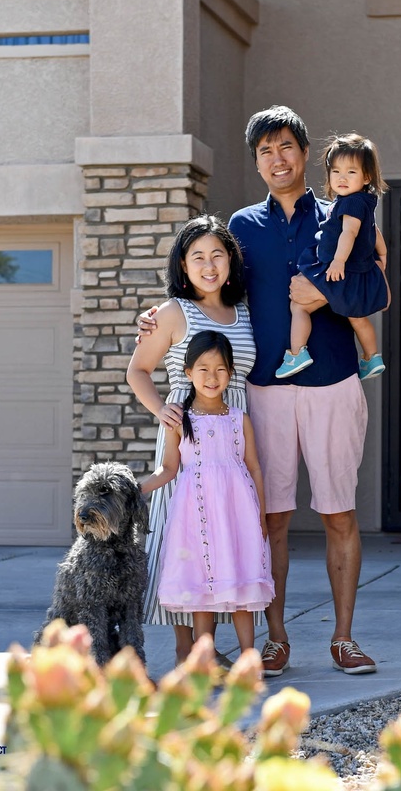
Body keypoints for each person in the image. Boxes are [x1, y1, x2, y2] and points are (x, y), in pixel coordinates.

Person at [228, 105, 377, 676]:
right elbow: (213, 295)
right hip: (265, 387)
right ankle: (276, 637)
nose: (277, 157)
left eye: (285, 146)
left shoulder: (345, 214)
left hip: (333, 380)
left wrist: (326, 299)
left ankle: (343, 638)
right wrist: (161, 318)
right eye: (265, 150)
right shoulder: (241, 228)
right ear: (257, 161)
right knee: (272, 518)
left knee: (339, 512)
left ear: (306, 152)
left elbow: (373, 291)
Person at [126, 214, 257, 665]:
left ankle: (213, 648)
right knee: (180, 538)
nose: (208, 264)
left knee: (224, 540)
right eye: (197, 256)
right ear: (183, 265)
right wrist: (161, 409)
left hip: (233, 427)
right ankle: (187, 649)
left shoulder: (244, 310)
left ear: (230, 261)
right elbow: (137, 370)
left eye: (217, 255)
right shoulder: (171, 312)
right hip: (187, 432)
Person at [139, 331, 274, 651]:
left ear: (230, 372)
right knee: (201, 590)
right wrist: (136, 488)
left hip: (236, 513)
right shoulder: (177, 419)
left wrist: (262, 515)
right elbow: (169, 468)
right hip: (195, 516)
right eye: (203, 368)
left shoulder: (239, 419)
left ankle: (249, 660)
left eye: (220, 369)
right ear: (188, 373)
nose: (212, 377)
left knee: (242, 586)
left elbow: (253, 467)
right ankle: (204, 662)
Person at [275, 133, 391, 381]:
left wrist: (338, 261)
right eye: (336, 171)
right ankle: (372, 357)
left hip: (337, 270)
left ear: (367, 176)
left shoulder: (349, 204)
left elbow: (349, 233)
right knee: (357, 318)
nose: (341, 177)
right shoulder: (363, 202)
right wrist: (382, 252)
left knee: (298, 306)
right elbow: (372, 230)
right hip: (354, 272)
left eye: (351, 172)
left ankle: (297, 353)